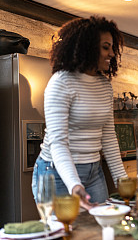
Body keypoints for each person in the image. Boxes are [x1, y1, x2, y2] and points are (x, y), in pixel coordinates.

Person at [32, 16, 127, 210]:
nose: (112, 53)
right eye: (106, 47)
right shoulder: (61, 83)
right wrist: (74, 184)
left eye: (112, 47)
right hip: (57, 172)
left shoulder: (104, 86)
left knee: (100, 229)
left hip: (93, 171)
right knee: (65, 233)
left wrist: (123, 182)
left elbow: (108, 136)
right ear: (88, 47)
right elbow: (58, 142)